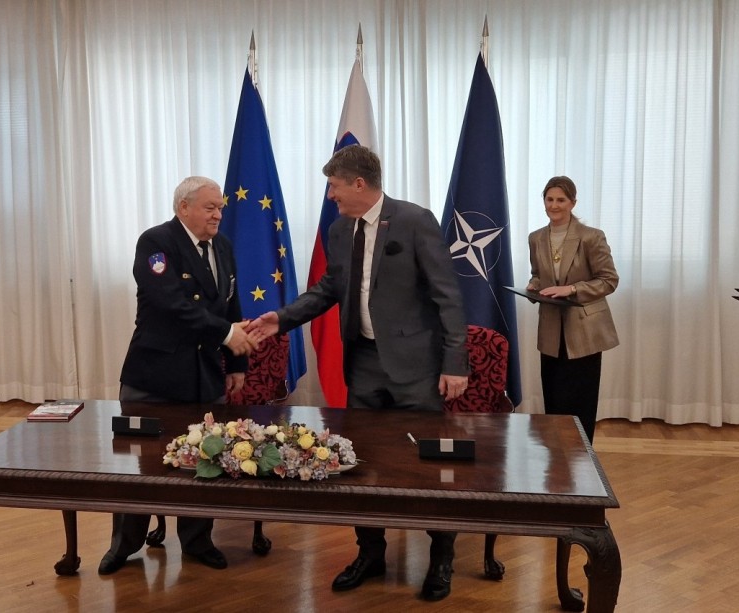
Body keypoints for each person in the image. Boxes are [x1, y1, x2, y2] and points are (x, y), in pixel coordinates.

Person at [249, 144, 469, 601]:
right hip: (365, 364)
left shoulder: (414, 220)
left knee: (428, 467)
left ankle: (441, 557)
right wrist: (282, 319)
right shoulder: (338, 229)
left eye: (334, 186)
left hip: (415, 367)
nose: (330, 195)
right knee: (360, 462)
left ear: (359, 184)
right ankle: (370, 553)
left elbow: (447, 294)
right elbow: (330, 287)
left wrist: (454, 363)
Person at [98, 176, 258, 575]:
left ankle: (198, 541)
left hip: (204, 375)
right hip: (155, 376)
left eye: (220, 208)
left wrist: (236, 363)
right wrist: (227, 335)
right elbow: (171, 304)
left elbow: (231, 304)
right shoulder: (156, 243)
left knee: (205, 460)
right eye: (210, 207)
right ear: (183, 207)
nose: (218, 215)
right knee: (137, 464)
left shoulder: (223, 246)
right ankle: (124, 545)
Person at [525, 176, 619, 444]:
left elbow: (609, 280)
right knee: (554, 397)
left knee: (580, 400)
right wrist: (533, 285)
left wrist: (572, 289)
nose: (554, 205)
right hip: (551, 329)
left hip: (584, 331)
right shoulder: (535, 238)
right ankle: (556, 453)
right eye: (549, 199)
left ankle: (582, 456)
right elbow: (538, 274)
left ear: (572, 203)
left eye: (561, 200)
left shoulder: (592, 237)